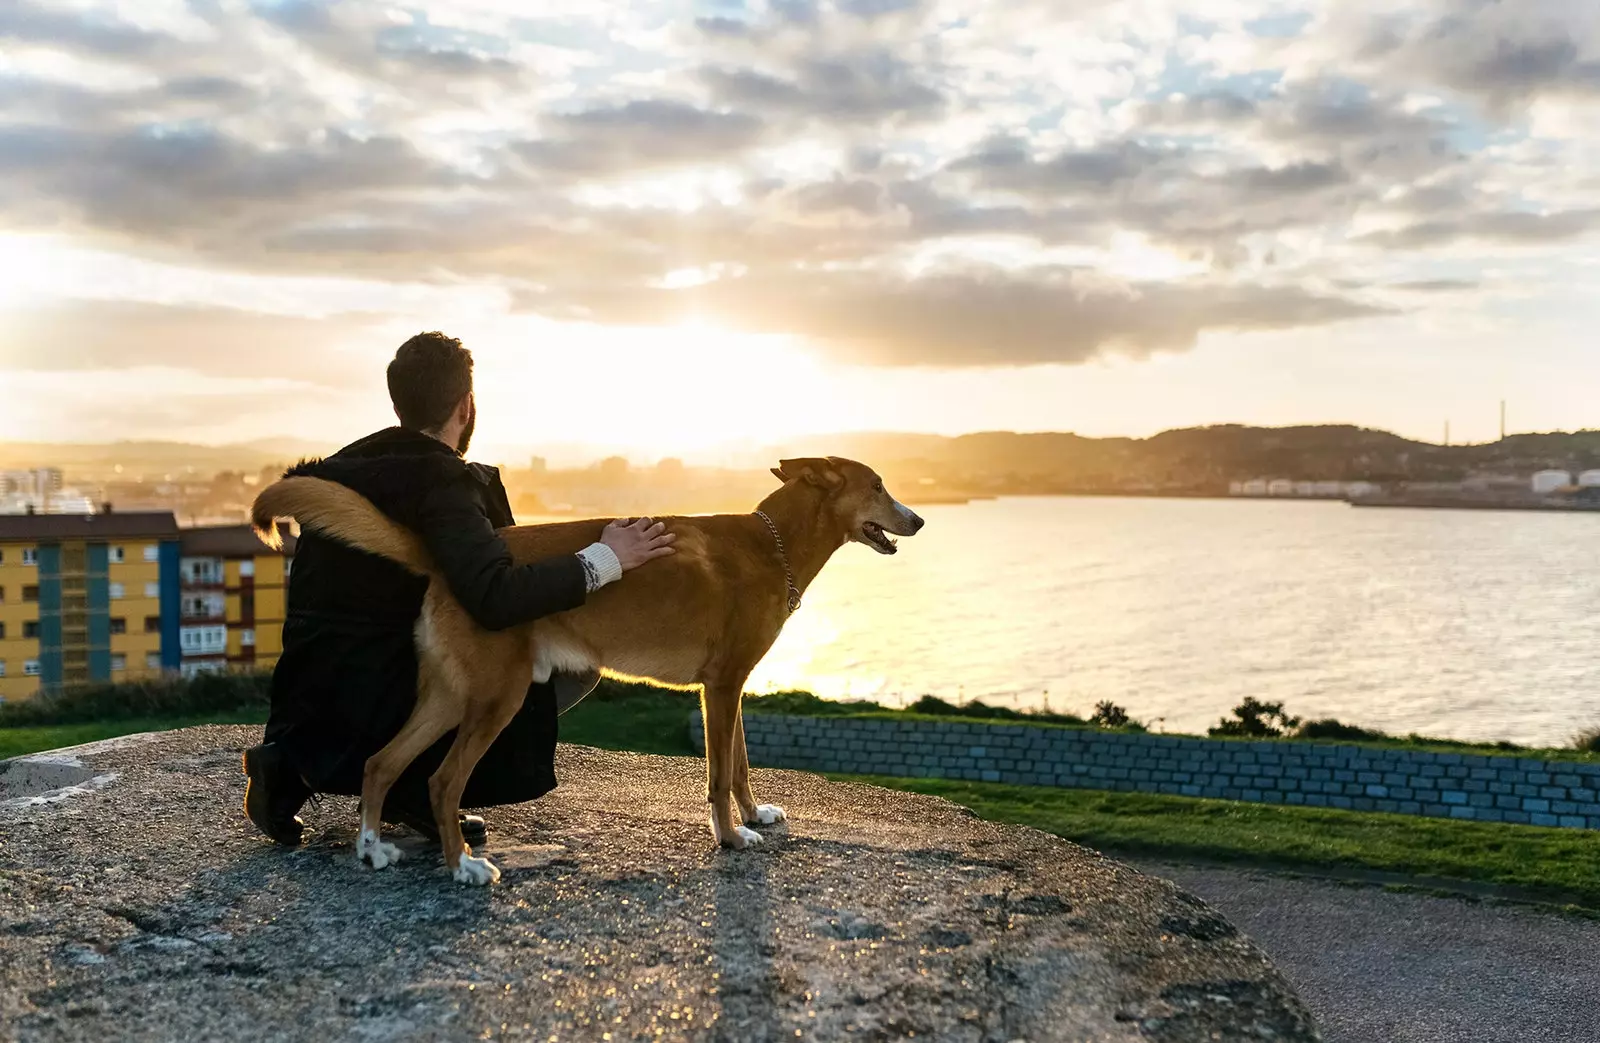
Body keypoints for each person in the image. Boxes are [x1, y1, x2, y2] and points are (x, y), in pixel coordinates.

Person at [242, 332, 675, 847]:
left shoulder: (342, 472)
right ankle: (422, 786)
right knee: (575, 664)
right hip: (394, 690)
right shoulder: (443, 485)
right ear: (466, 406)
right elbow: (493, 598)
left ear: (398, 402)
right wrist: (605, 559)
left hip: (314, 697)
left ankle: (284, 771)